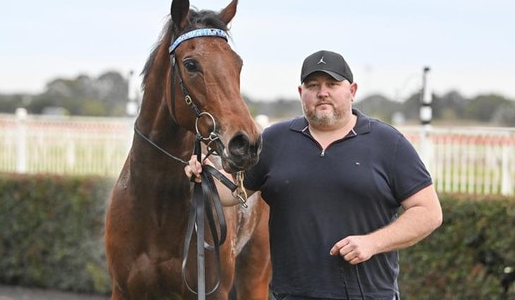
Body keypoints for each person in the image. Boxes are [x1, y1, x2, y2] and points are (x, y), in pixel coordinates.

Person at [185, 50, 442, 300]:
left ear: (352, 91)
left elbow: (428, 212)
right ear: (301, 93)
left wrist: (372, 243)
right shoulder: (275, 141)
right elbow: (233, 191)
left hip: (368, 294)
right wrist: (203, 178)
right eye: (312, 85)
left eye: (332, 84)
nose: (322, 93)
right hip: (292, 294)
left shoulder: (388, 143)